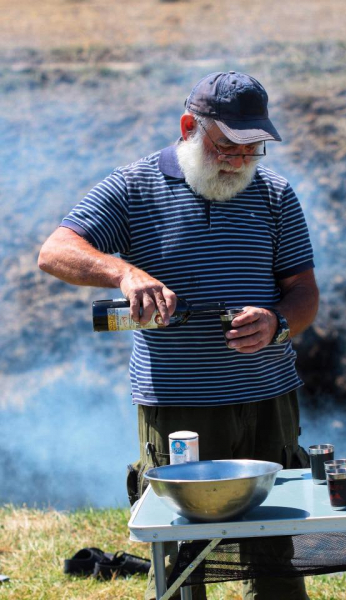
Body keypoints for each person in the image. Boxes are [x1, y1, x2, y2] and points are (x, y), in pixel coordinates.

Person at [38, 71, 319, 600]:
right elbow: (55, 250)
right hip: (178, 406)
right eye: (226, 147)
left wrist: (279, 322)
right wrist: (122, 272)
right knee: (181, 557)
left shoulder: (276, 193)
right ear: (190, 126)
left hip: (268, 400)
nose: (239, 161)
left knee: (276, 553)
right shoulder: (131, 186)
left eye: (252, 148)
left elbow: (304, 291)